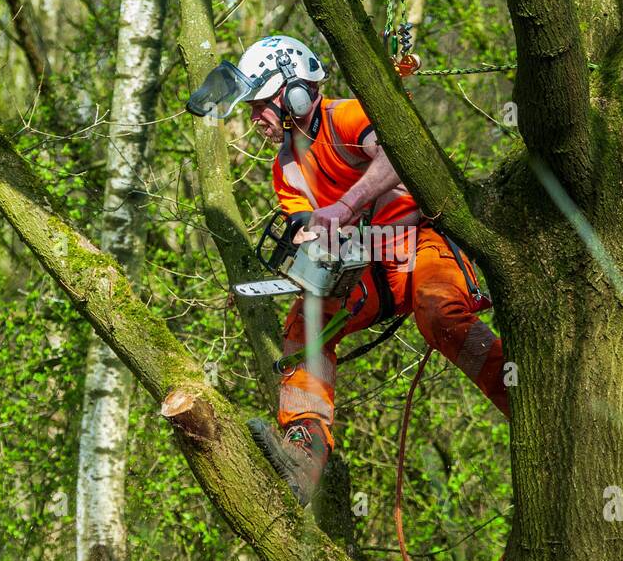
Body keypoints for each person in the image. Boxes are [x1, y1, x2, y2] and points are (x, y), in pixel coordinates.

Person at [192, 35, 509, 504]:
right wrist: (312, 238)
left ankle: (518, 396)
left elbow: (398, 157)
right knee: (306, 324)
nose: (256, 118)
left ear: (294, 92)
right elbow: (304, 222)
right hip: (362, 266)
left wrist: (345, 204)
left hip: (416, 243)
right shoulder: (285, 166)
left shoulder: (347, 116)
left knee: (439, 313)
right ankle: (303, 448)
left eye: (261, 105)